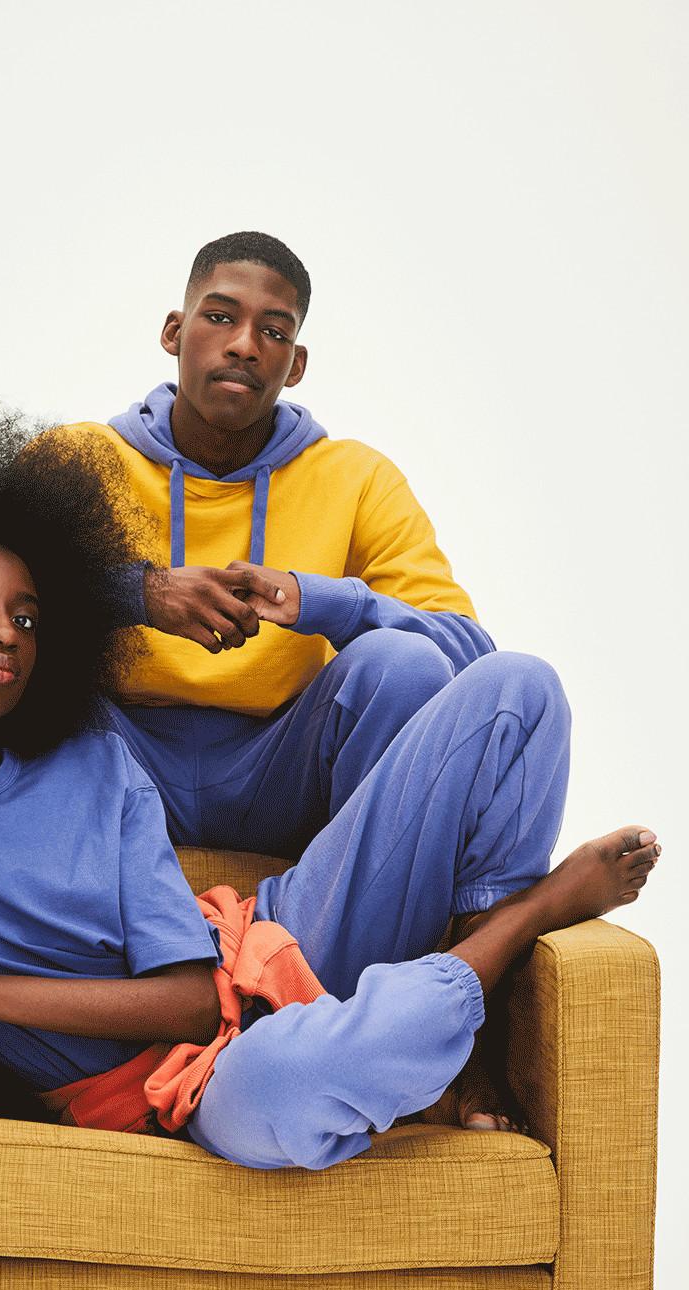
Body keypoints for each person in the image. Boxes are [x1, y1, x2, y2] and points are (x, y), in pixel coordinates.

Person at [0, 406, 660, 1168]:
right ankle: (516, 930)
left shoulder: (89, 756)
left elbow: (196, 999)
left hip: (270, 946)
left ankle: (474, 960)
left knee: (516, 689)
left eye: (30, 616)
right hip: (205, 1094)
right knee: (300, 1074)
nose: (6, 633)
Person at [67, 230, 497, 862]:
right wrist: (141, 591)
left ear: (294, 364)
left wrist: (324, 602)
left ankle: (356, 908)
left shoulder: (356, 476)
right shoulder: (81, 459)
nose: (244, 345)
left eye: (272, 331)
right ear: (174, 333)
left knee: (404, 666)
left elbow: (469, 654)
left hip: (283, 774)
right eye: (219, 317)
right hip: (113, 756)